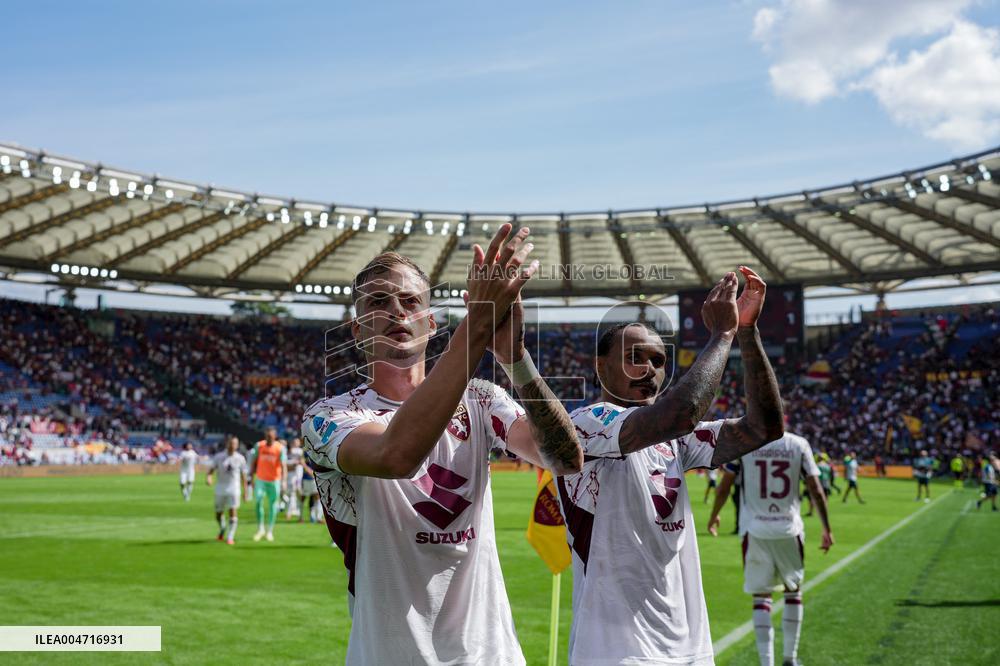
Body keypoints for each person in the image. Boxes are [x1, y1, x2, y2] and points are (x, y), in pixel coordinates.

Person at [301, 226, 583, 664]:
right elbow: (396, 455)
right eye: (378, 301)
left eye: (411, 301)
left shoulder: (482, 399)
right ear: (357, 330)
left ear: (431, 324)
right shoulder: (327, 417)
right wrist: (479, 324)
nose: (397, 310)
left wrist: (515, 359)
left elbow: (564, 459)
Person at [555, 266, 784, 665]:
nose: (649, 369)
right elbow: (682, 413)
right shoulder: (586, 424)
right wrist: (723, 335)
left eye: (659, 360)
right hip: (616, 653)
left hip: (689, 649)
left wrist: (747, 332)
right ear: (600, 366)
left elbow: (764, 428)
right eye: (634, 358)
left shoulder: (675, 442)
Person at [707, 431, 834, 666]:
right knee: (793, 591)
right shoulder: (798, 444)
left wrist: (714, 515)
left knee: (761, 596)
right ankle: (790, 658)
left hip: (755, 529)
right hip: (789, 529)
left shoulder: (745, 443)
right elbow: (816, 489)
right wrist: (827, 528)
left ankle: (767, 663)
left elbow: (725, 486)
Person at [205, 436, 247, 545]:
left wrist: (246, 492)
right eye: (231, 443)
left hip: (234, 488)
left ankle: (230, 536)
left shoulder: (240, 458)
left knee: (232, 510)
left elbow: (243, 476)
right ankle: (223, 528)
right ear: (227, 444)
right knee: (218, 514)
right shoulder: (219, 457)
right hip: (220, 488)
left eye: (235, 444)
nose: (232, 445)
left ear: (237, 445)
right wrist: (209, 478)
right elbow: (210, 470)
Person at [249, 427, 287, 541]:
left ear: (275, 436)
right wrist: (251, 477)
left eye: (270, 436)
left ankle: (269, 531)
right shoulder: (259, 446)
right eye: (267, 436)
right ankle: (260, 529)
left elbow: (283, 466)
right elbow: (253, 462)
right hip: (260, 479)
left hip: (274, 480)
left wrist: (284, 481)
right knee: (258, 501)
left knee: (273, 505)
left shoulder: (280, 448)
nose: (268, 438)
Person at [286, 437, 305, 520]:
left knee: (298, 492)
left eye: (297, 442)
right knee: (292, 493)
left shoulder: (301, 451)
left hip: (299, 475)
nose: (295, 443)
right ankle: (290, 511)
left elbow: (302, 461)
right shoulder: (289, 451)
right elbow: (286, 462)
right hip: (291, 475)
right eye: (294, 442)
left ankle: (296, 510)